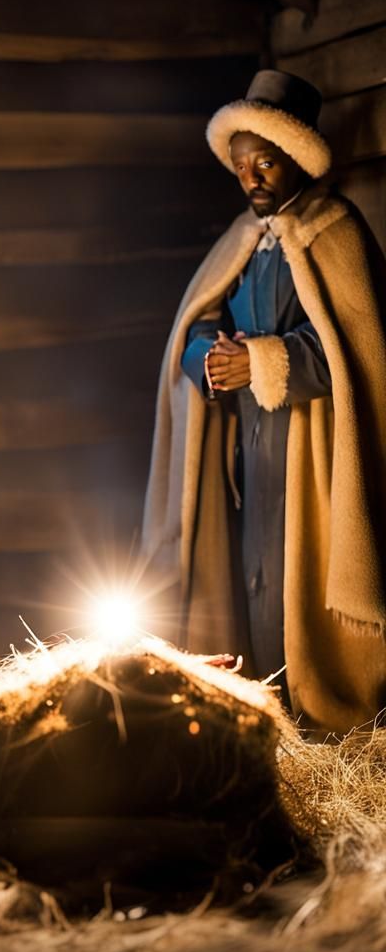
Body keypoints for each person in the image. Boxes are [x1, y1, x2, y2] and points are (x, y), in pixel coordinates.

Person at [143, 69, 386, 734]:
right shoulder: (243, 242)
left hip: (314, 447)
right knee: (251, 573)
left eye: (267, 163)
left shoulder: (335, 231)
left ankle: (321, 708)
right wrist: (210, 362)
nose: (252, 178)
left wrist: (265, 360)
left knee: (298, 575)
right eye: (243, 165)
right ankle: (261, 704)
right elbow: (197, 324)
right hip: (250, 449)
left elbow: (358, 352)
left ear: (297, 159)